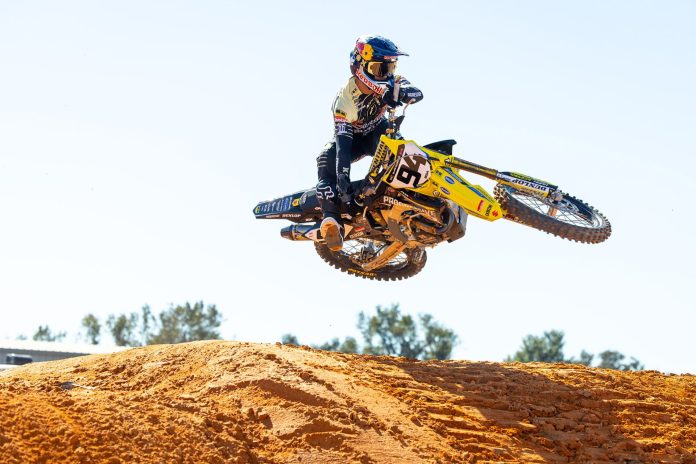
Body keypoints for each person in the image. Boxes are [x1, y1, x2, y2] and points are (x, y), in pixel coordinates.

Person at [316, 35, 424, 251]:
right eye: (379, 69)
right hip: (353, 139)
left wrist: (401, 93)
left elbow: (418, 93)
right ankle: (331, 220)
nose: (386, 74)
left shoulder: (393, 82)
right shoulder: (344, 101)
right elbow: (343, 148)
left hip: (378, 132)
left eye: (390, 67)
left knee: (403, 153)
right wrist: (343, 182)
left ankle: (414, 199)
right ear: (359, 67)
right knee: (325, 160)